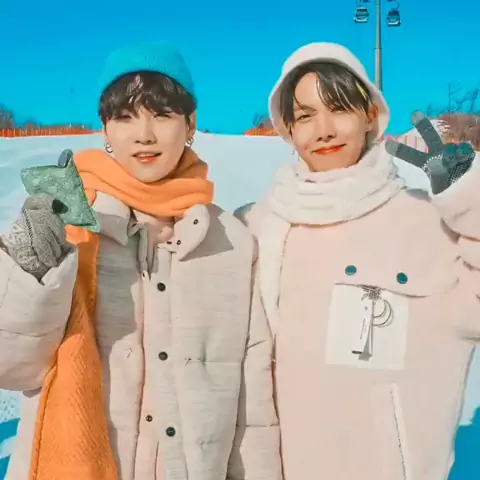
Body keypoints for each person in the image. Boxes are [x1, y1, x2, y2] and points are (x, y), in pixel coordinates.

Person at [0, 42, 281, 480]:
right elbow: (13, 367)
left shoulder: (233, 243)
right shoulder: (69, 224)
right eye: (125, 117)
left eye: (162, 115)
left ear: (190, 124)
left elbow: (255, 409)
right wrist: (32, 268)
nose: (144, 134)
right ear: (105, 129)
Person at [236, 42, 480, 480]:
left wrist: (469, 200)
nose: (324, 130)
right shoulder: (253, 226)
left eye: (340, 108)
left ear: (370, 116)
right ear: (288, 129)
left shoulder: (426, 222)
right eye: (305, 116)